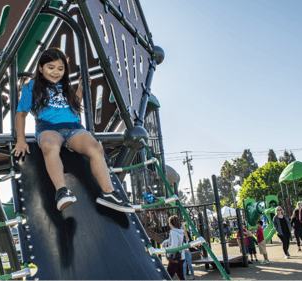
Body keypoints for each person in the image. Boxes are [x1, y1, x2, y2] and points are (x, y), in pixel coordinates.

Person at [12, 48, 134, 213]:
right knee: (50, 146)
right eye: (51, 67)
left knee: (95, 148)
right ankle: (61, 190)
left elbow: (75, 104)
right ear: (40, 68)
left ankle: (108, 193)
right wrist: (20, 139)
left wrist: (82, 87)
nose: (56, 72)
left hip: (74, 127)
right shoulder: (31, 87)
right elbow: (21, 114)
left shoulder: (64, 86)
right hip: (48, 127)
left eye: (60, 69)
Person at [162, 215, 185, 281]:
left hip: (175, 257)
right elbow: (178, 242)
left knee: (168, 276)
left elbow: (174, 246)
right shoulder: (180, 231)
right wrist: (167, 241)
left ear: (171, 223)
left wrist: (166, 249)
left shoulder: (173, 232)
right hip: (181, 256)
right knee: (180, 276)